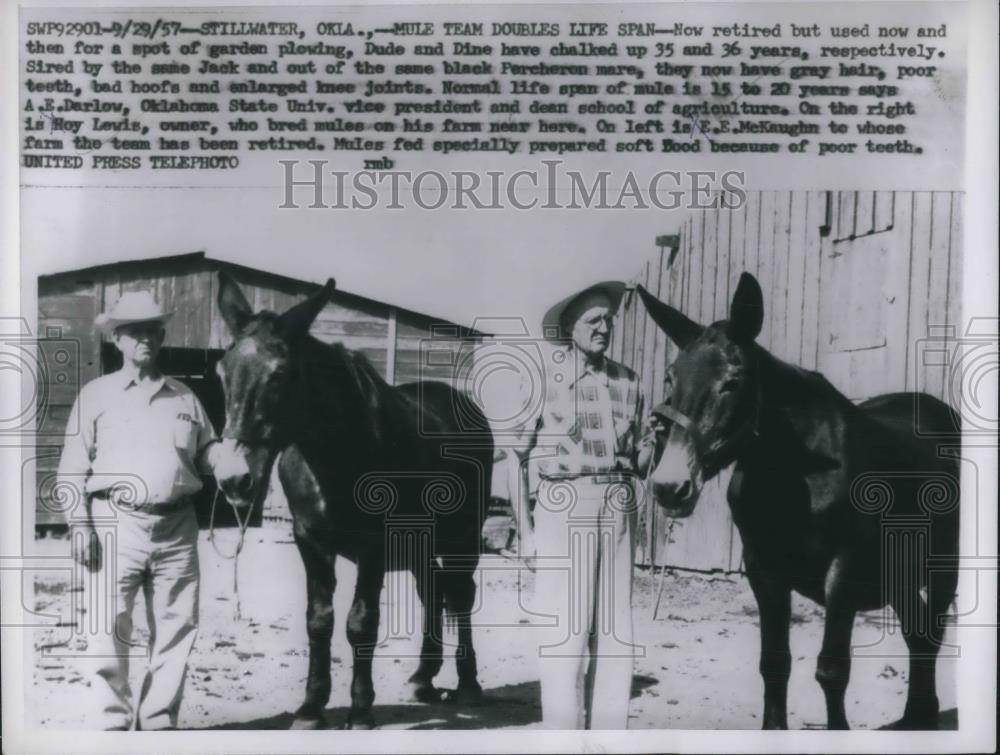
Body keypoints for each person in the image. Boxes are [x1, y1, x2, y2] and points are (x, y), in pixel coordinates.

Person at [57, 291, 226, 730]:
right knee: (109, 626)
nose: (145, 339)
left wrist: (224, 459)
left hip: (177, 525)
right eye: (135, 332)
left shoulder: (185, 396)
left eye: (152, 330)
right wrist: (80, 525)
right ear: (117, 340)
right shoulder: (95, 396)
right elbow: (71, 469)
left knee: (177, 627)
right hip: (115, 522)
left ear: (162, 335)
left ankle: (158, 722)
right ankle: (114, 724)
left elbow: (206, 449)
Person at [511, 281, 660, 729]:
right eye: (593, 320)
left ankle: (609, 736)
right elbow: (515, 460)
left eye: (609, 320)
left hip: (617, 506)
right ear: (569, 327)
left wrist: (659, 441)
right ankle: (562, 735)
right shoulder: (541, 377)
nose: (604, 327)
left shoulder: (629, 382)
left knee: (615, 630)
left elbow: (640, 460)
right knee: (565, 630)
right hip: (563, 504)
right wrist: (527, 533)